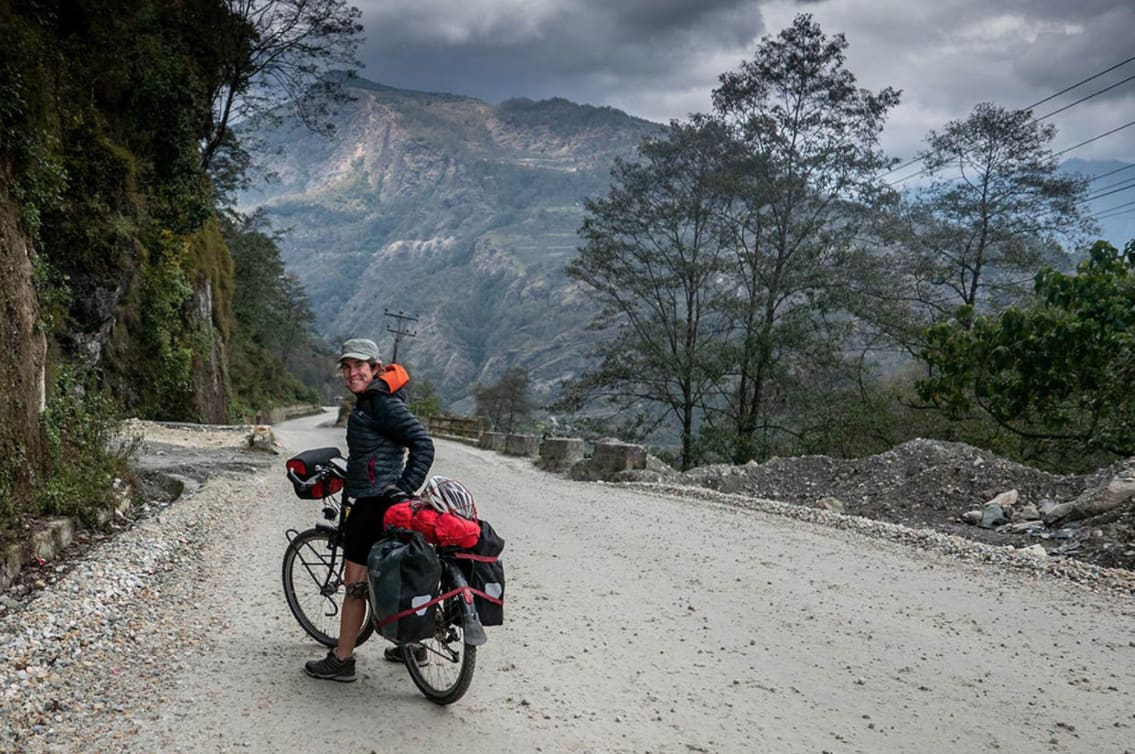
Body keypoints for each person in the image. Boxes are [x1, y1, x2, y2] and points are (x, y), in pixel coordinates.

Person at [304, 337, 435, 682]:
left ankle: (343, 659)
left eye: (359, 366)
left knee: (355, 584)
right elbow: (380, 452)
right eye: (346, 367)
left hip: (376, 504)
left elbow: (422, 445)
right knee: (396, 571)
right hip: (382, 499)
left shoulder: (379, 402)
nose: (351, 373)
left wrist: (402, 490)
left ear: (375, 368)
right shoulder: (373, 401)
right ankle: (413, 644)